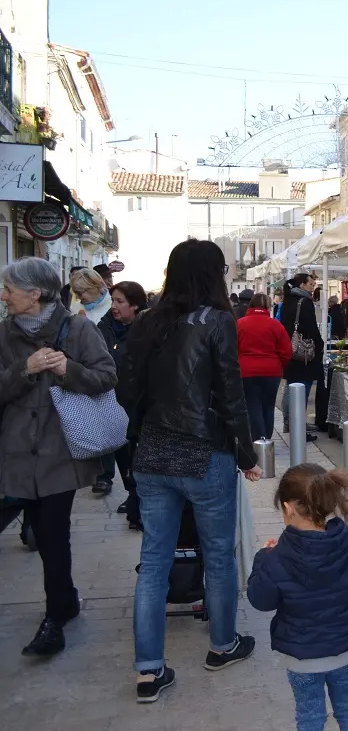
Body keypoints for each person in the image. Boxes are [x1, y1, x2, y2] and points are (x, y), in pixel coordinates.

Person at [119, 238, 262, 703]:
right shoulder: (218, 321)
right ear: (213, 274)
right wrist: (246, 454)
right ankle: (222, 645)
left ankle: (148, 670)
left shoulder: (145, 322)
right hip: (205, 453)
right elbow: (229, 394)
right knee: (219, 555)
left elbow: (129, 391)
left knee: (154, 563)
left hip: (153, 454)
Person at [0, 257, 118, 656]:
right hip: (13, 454)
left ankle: (55, 617)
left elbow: (107, 377)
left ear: (35, 294)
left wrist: (68, 368)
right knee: (39, 532)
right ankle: (65, 600)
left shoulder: (77, 327)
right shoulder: (3, 334)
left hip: (59, 453)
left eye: (9, 290)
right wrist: (24, 370)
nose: (3, 297)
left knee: (52, 535)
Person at [248, 463, 348, 731]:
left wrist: (263, 558)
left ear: (288, 508)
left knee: (310, 716)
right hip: (346, 648)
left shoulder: (278, 556)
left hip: (301, 655)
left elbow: (261, 600)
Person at [96, 281, 149, 521]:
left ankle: (139, 497)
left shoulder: (147, 329)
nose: (114, 306)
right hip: (111, 401)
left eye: (120, 301)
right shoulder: (104, 326)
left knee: (137, 452)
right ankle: (131, 492)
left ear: (135, 305)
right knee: (121, 452)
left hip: (139, 402)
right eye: (113, 301)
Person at [238, 293, 293, 442]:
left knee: (252, 405)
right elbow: (287, 350)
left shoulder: (239, 324)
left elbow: (231, 349)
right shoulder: (275, 325)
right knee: (268, 406)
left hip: (246, 370)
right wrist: (278, 364)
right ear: (268, 307)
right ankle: (266, 438)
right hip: (271, 370)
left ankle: (258, 439)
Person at [281, 273, 325, 439]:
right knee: (302, 391)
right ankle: (299, 429)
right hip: (304, 353)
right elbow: (311, 328)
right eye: (311, 284)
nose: (313, 287)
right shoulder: (305, 302)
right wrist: (319, 344)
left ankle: (290, 423)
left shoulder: (287, 300)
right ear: (302, 285)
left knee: (291, 388)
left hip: (290, 349)